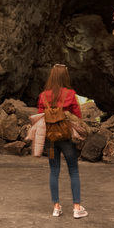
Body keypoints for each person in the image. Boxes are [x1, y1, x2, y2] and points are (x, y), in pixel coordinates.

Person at [37, 64, 87, 219]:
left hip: (51, 139)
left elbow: (40, 116)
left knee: (54, 171)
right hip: (66, 138)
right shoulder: (70, 94)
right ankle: (77, 208)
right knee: (73, 170)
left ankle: (56, 207)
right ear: (66, 76)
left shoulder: (43, 96)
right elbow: (77, 116)